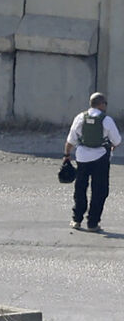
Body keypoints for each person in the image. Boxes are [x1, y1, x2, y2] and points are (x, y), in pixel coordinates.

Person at [65, 92, 120, 232]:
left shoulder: (80, 118)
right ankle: (93, 223)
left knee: (80, 188)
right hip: (101, 158)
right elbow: (117, 140)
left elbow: (70, 140)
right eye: (105, 103)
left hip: (82, 157)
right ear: (101, 104)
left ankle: (76, 219)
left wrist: (66, 155)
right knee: (99, 191)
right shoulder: (106, 120)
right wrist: (112, 146)